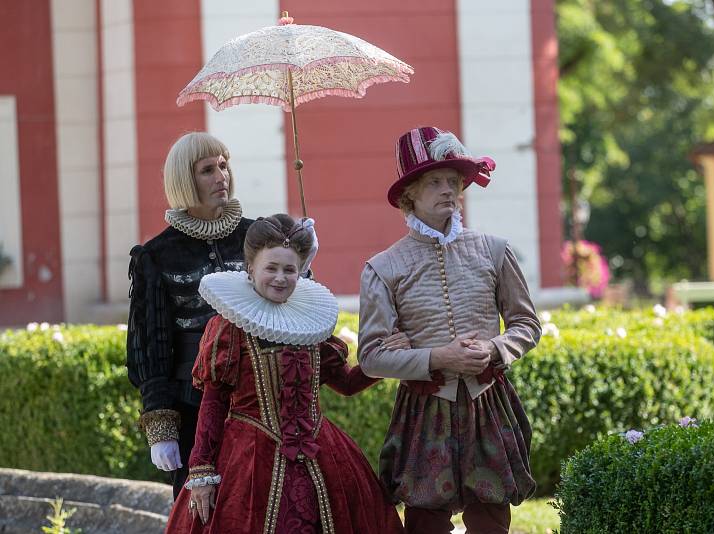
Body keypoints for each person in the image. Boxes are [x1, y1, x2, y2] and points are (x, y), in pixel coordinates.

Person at [165, 214, 405, 534]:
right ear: (250, 269)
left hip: (322, 454)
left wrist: (386, 359)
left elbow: (345, 383)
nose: (280, 277)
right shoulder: (229, 329)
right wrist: (202, 471)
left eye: (289, 269)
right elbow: (213, 404)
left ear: (300, 271)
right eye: (271, 268)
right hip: (249, 465)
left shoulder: (311, 327)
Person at [357, 126, 542, 534]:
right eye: (434, 181)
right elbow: (370, 357)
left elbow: (527, 325)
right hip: (426, 406)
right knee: (426, 516)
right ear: (410, 194)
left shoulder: (495, 250)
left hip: (487, 398)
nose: (448, 190)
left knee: (491, 511)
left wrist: (494, 350)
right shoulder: (383, 268)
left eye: (453, 181)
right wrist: (438, 357)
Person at [126, 132, 254, 498]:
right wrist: (161, 427)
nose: (221, 176)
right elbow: (149, 347)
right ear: (185, 178)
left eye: (224, 166)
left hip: (256, 399)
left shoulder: (257, 238)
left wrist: (300, 259)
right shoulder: (157, 255)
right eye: (207, 170)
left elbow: (285, 308)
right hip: (192, 407)